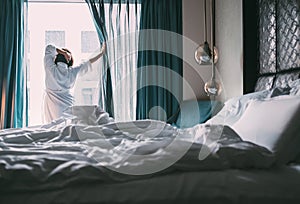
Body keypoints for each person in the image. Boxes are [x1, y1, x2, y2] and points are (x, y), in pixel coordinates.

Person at [43, 42, 106, 123]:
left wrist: (63, 52)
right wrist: (101, 53)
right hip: (67, 106)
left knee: (53, 128)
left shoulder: (50, 68)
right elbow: (88, 62)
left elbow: (49, 48)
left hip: (52, 106)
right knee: (67, 128)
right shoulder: (73, 72)